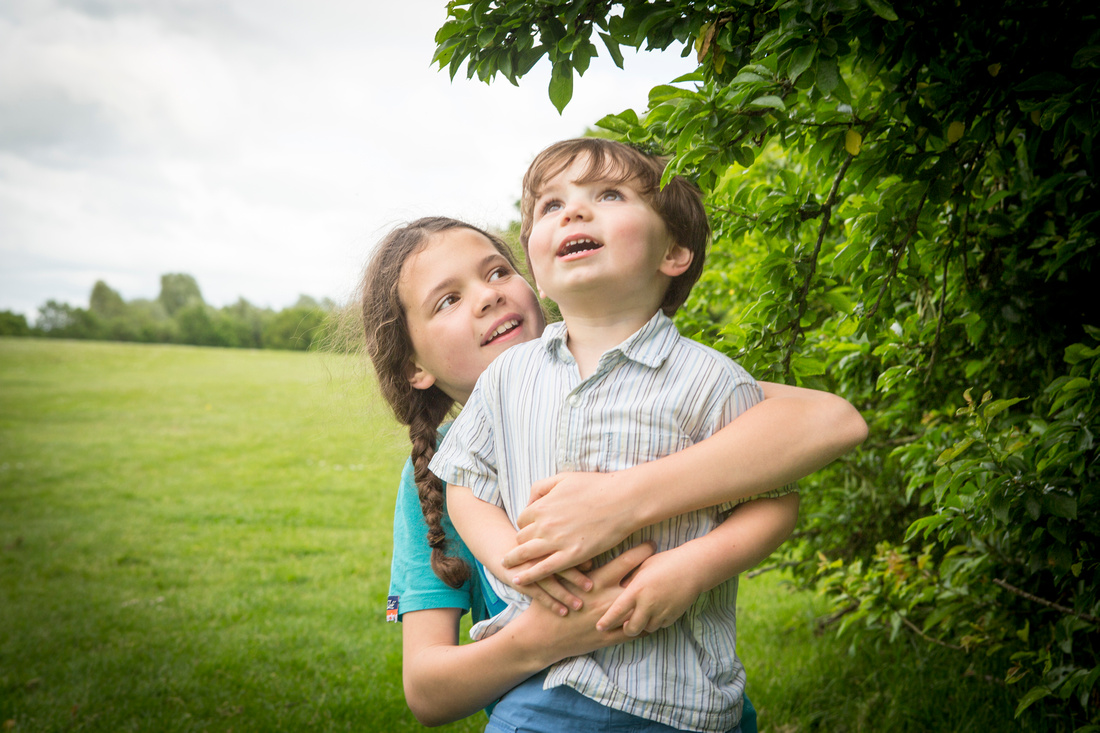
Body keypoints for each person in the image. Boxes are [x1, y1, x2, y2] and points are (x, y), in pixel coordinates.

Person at [362, 215, 866, 727]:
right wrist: (548, 638)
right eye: (447, 300)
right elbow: (427, 693)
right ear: (414, 368)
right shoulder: (438, 475)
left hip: (690, 709)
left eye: (497, 272)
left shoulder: (661, 388)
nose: (488, 295)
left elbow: (831, 422)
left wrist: (621, 503)